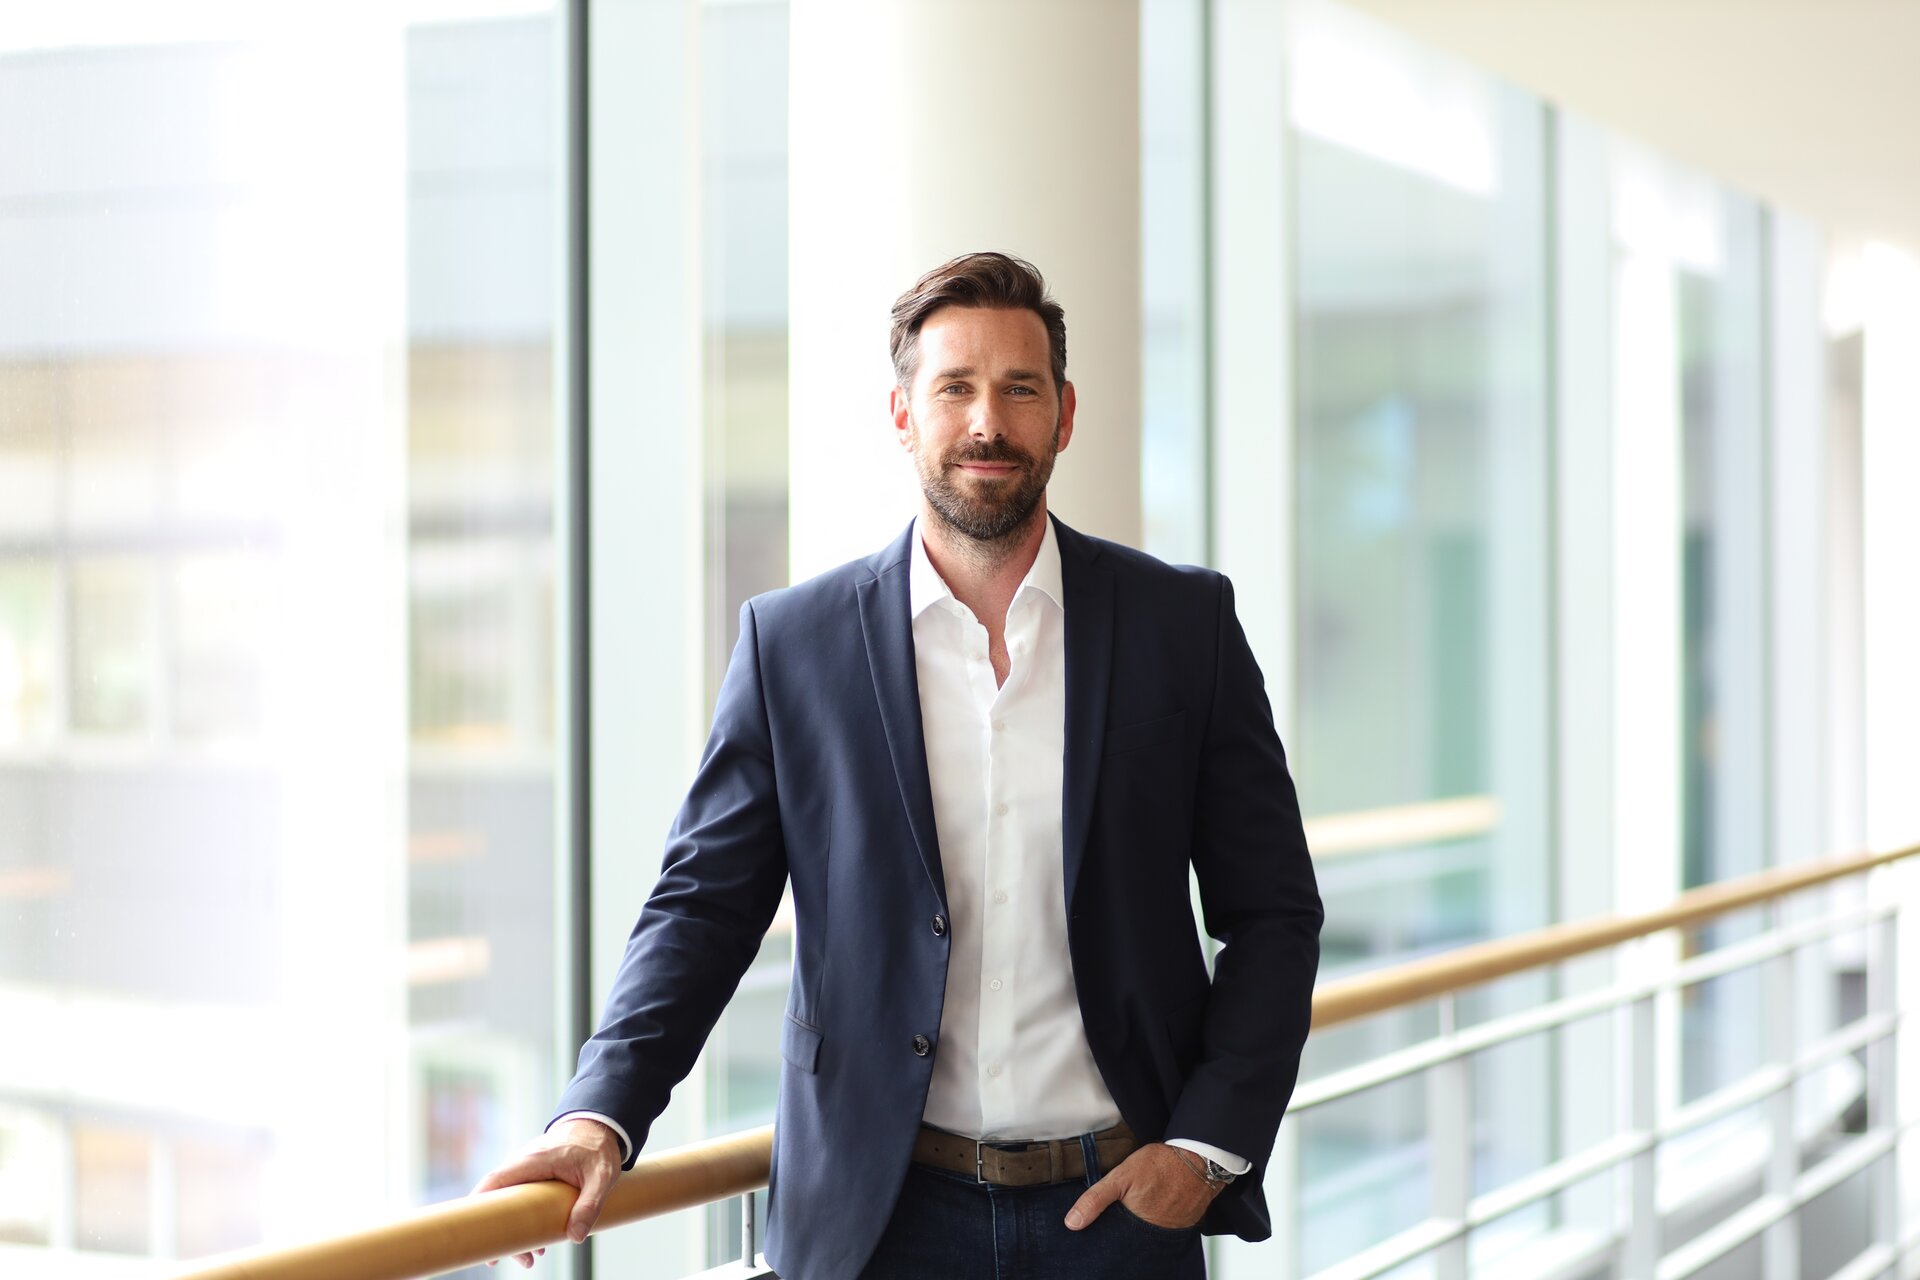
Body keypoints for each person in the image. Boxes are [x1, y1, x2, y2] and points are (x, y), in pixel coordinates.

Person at [474, 252, 1322, 1279]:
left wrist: (1204, 1149)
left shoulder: (1179, 627)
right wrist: (598, 1112)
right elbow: (701, 907)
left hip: (1119, 1217)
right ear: (901, 412)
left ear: (1064, 412)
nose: (986, 422)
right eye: (954, 387)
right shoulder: (794, 645)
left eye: (1020, 388)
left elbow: (1274, 910)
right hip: (881, 1222)